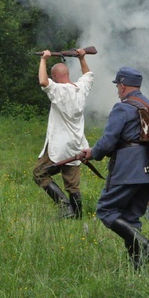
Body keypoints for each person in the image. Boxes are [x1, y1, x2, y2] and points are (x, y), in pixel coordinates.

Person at [80, 67, 149, 270]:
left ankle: (146, 245)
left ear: (122, 86)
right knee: (131, 217)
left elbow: (108, 142)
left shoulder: (122, 108)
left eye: (118, 86)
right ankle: (137, 268)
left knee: (106, 210)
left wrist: (93, 153)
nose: (117, 90)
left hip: (127, 171)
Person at [33, 48, 93, 219]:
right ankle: (78, 216)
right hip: (76, 144)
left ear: (57, 77)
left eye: (54, 77)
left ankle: (65, 208)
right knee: (72, 185)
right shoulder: (81, 89)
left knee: (39, 173)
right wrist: (82, 57)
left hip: (59, 145)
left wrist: (44, 59)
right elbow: (88, 75)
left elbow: (43, 82)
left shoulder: (59, 90)